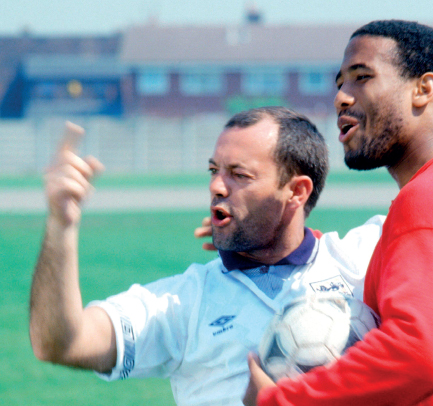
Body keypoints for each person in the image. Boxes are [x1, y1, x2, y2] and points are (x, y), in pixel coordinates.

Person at [30, 107, 390, 406]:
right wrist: (61, 225)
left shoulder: (366, 256)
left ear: (296, 191)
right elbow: (62, 343)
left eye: (239, 175)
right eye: (214, 170)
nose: (216, 186)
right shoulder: (182, 302)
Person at [244, 20, 433, 406]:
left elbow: (420, 355)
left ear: (424, 89)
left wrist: (284, 399)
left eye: (362, 77)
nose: (341, 97)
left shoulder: (430, 198)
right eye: (340, 83)